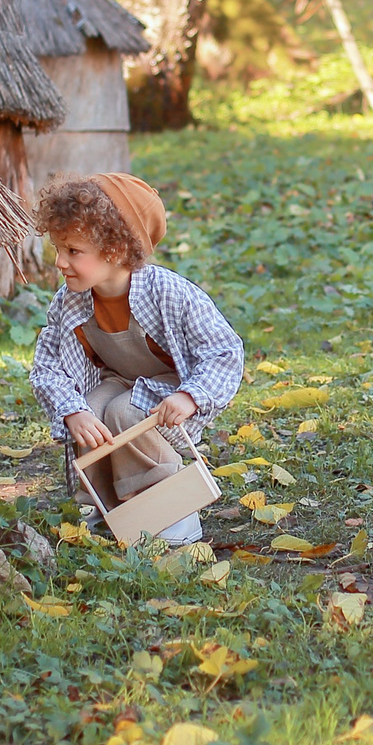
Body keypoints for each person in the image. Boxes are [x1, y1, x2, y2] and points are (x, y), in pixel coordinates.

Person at [29, 173, 243, 545]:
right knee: (92, 412)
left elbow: (224, 350)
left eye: (73, 251)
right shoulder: (70, 301)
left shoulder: (168, 293)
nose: (60, 262)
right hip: (118, 380)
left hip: (169, 390)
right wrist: (71, 410)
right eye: (58, 248)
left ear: (113, 250)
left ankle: (170, 508)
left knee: (125, 412)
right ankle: (106, 506)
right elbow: (47, 365)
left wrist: (190, 396)